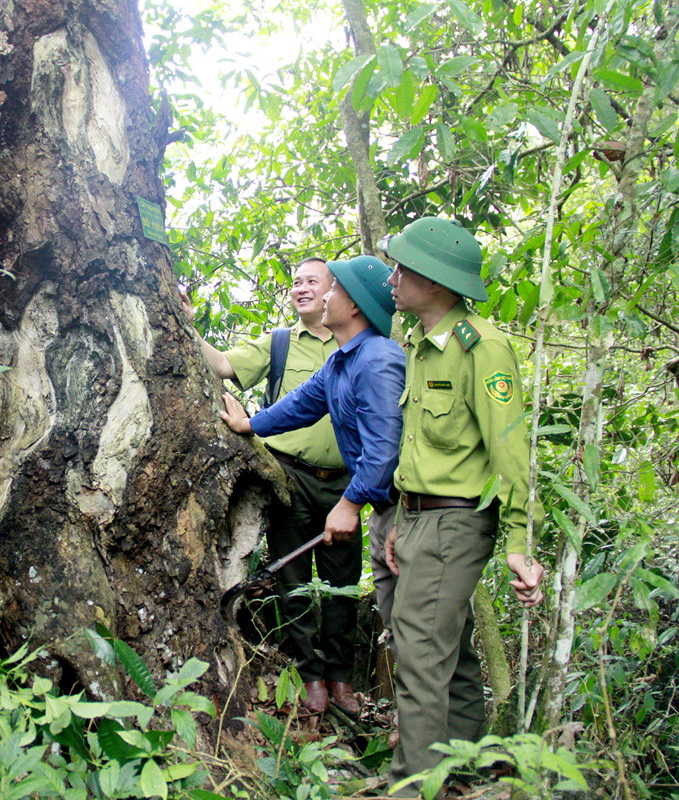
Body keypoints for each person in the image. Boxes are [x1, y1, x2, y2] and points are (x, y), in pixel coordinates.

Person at [381, 217, 545, 796]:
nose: (393, 278)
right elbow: (415, 447)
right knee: (445, 648)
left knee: (419, 648)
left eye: (404, 269)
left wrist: (521, 545)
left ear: (438, 282)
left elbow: (510, 452)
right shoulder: (421, 346)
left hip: (458, 521)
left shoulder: (483, 347)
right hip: (420, 516)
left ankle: (413, 785)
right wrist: (401, 522)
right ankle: (465, 767)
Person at [217, 256, 405, 716]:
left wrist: (349, 502)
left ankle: (387, 711)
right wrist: (252, 425)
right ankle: (311, 677)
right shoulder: (344, 360)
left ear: (356, 306)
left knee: (372, 601)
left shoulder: (378, 359)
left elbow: (384, 450)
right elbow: (301, 403)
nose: (324, 295)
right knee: (295, 584)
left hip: (387, 506)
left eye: (333, 288)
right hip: (319, 489)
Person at [183, 257, 353, 714]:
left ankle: (341, 677)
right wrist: (186, 323)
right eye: (295, 282)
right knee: (291, 576)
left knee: (344, 582)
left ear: (334, 291)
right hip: (291, 478)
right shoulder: (279, 344)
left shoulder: (354, 344)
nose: (300, 289)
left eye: (311, 281)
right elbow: (220, 365)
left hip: (346, 485)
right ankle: (311, 675)